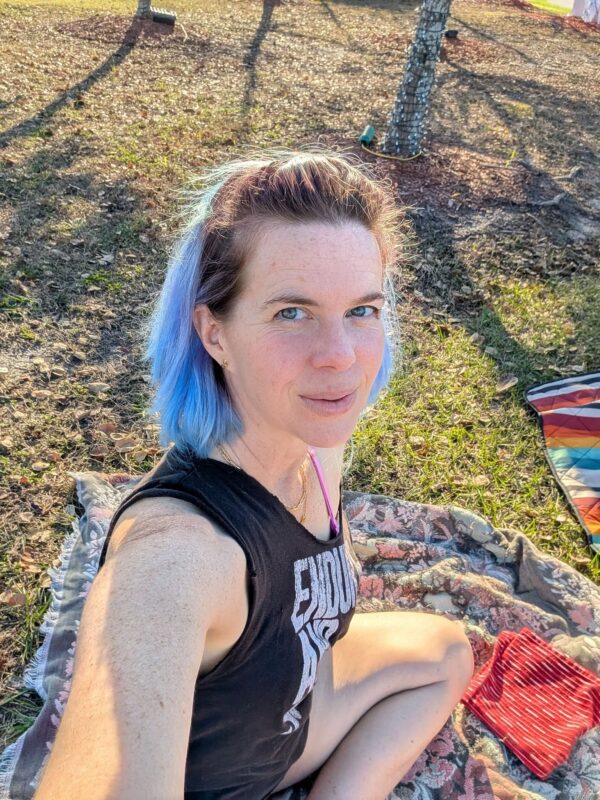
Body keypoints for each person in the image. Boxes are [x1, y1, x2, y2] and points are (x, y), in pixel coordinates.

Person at [34, 147, 475, 800]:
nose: (342, 356)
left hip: (294, 717)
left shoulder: (314, 442)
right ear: (215, 335)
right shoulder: (173, 560)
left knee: (446, 653)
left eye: (363, 310)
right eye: (291, 312)